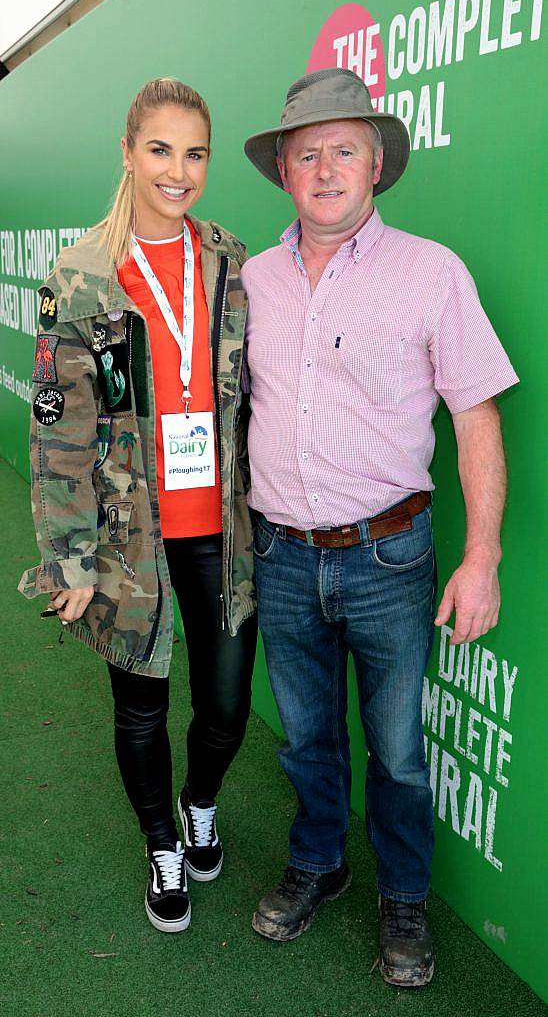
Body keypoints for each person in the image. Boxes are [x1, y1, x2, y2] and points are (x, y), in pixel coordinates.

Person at [241, 68, 518, 985]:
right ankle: (317, 866)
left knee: (397, 751)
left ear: (377, 166)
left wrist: (482, 558)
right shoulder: (253, 280)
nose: (325, 168)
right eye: (307, 152)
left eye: (344, 150)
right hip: (281, 554)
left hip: (390, 555)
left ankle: (403, 898)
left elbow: (476, 415)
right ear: (284, 169)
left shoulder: (431, 272)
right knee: (306, 737)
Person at [19, 79, 257, 933]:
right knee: (142, 706)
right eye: (160, 149)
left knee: (227, 709)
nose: (179, 170)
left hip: (223, 534)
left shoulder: (228, 254)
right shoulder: (80, 277)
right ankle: (164, 844)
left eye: (194, 152)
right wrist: (72, 554)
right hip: (131, 544)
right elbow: (58, 433)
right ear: (128, 151)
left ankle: (201, 802)